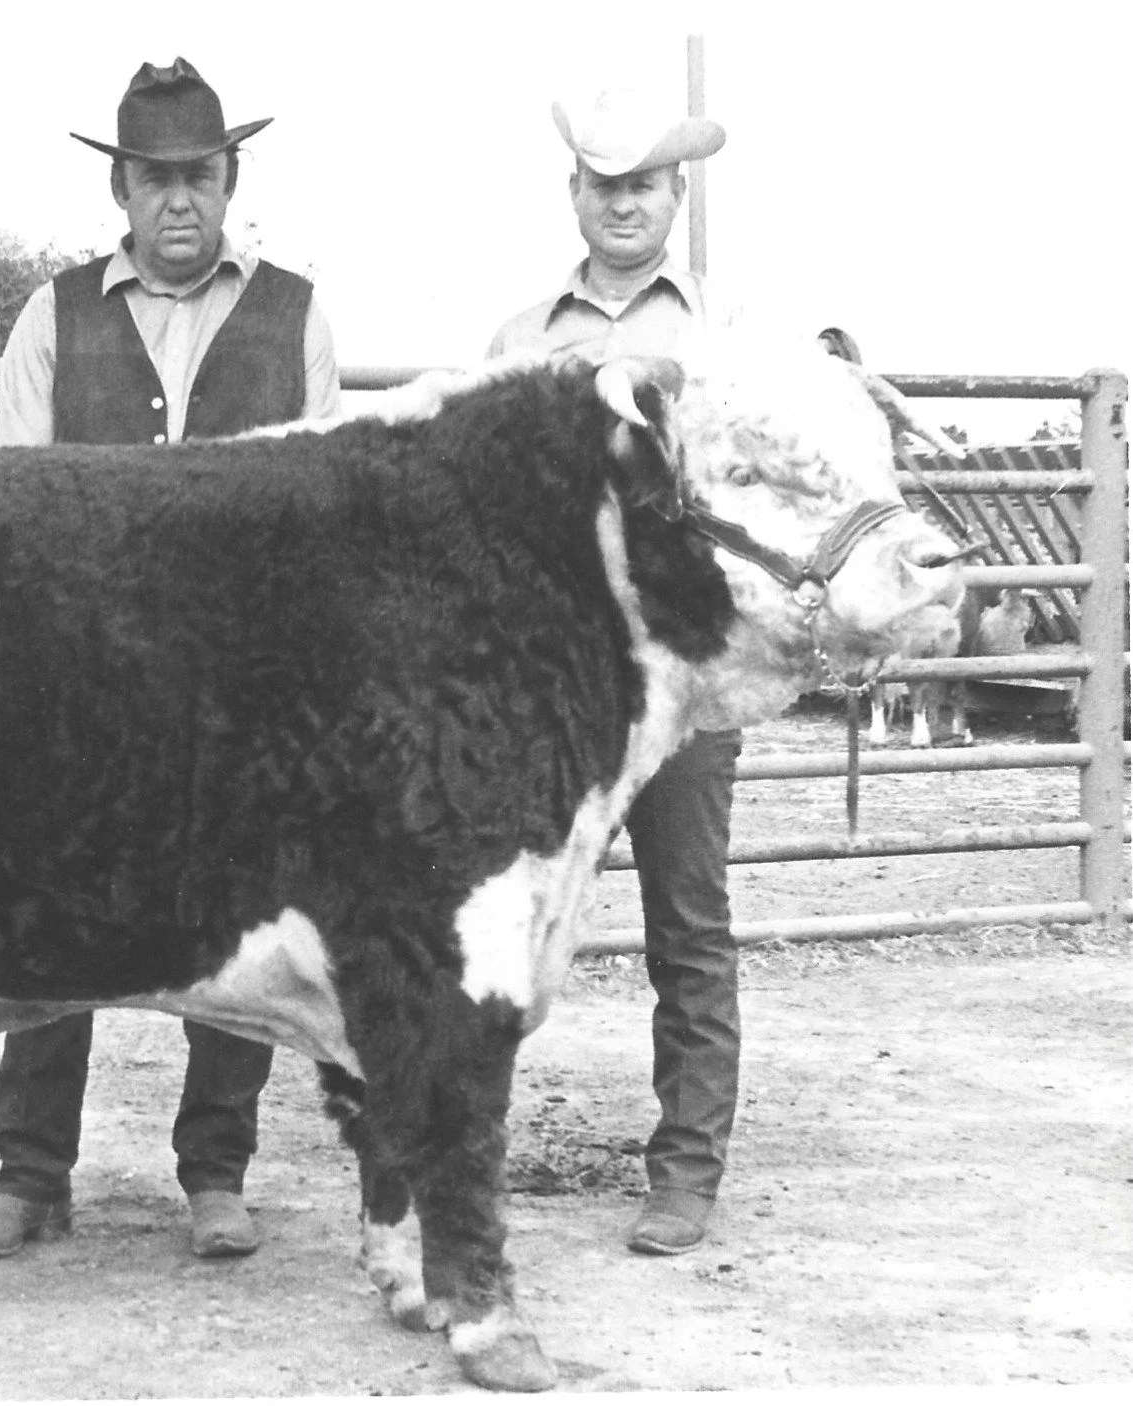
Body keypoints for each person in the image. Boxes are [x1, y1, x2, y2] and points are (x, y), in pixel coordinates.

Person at [0, 57, 342, 1262]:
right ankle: (30, 1175)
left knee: (235, 921)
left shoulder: (297, 312)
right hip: (81, 676)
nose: (180, 200)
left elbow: (315, 508)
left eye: (200, 175)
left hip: (238, 683)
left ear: (232, 179)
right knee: (50, 914)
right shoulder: (51, 313)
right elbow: (8, 510)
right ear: (121, 186)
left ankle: (216, 1172)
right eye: (156, 177)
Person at [487, 88, 740, 1256]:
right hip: (554, 686)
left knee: (685, 919)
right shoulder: (520, 341)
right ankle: (469, 1155)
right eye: (603, 185)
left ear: (673, 198)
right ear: (574, 197)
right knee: (501, 914)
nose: (623, 202)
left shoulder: (726, 338)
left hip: (680, 680)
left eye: (643, 184)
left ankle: (685, 1171)